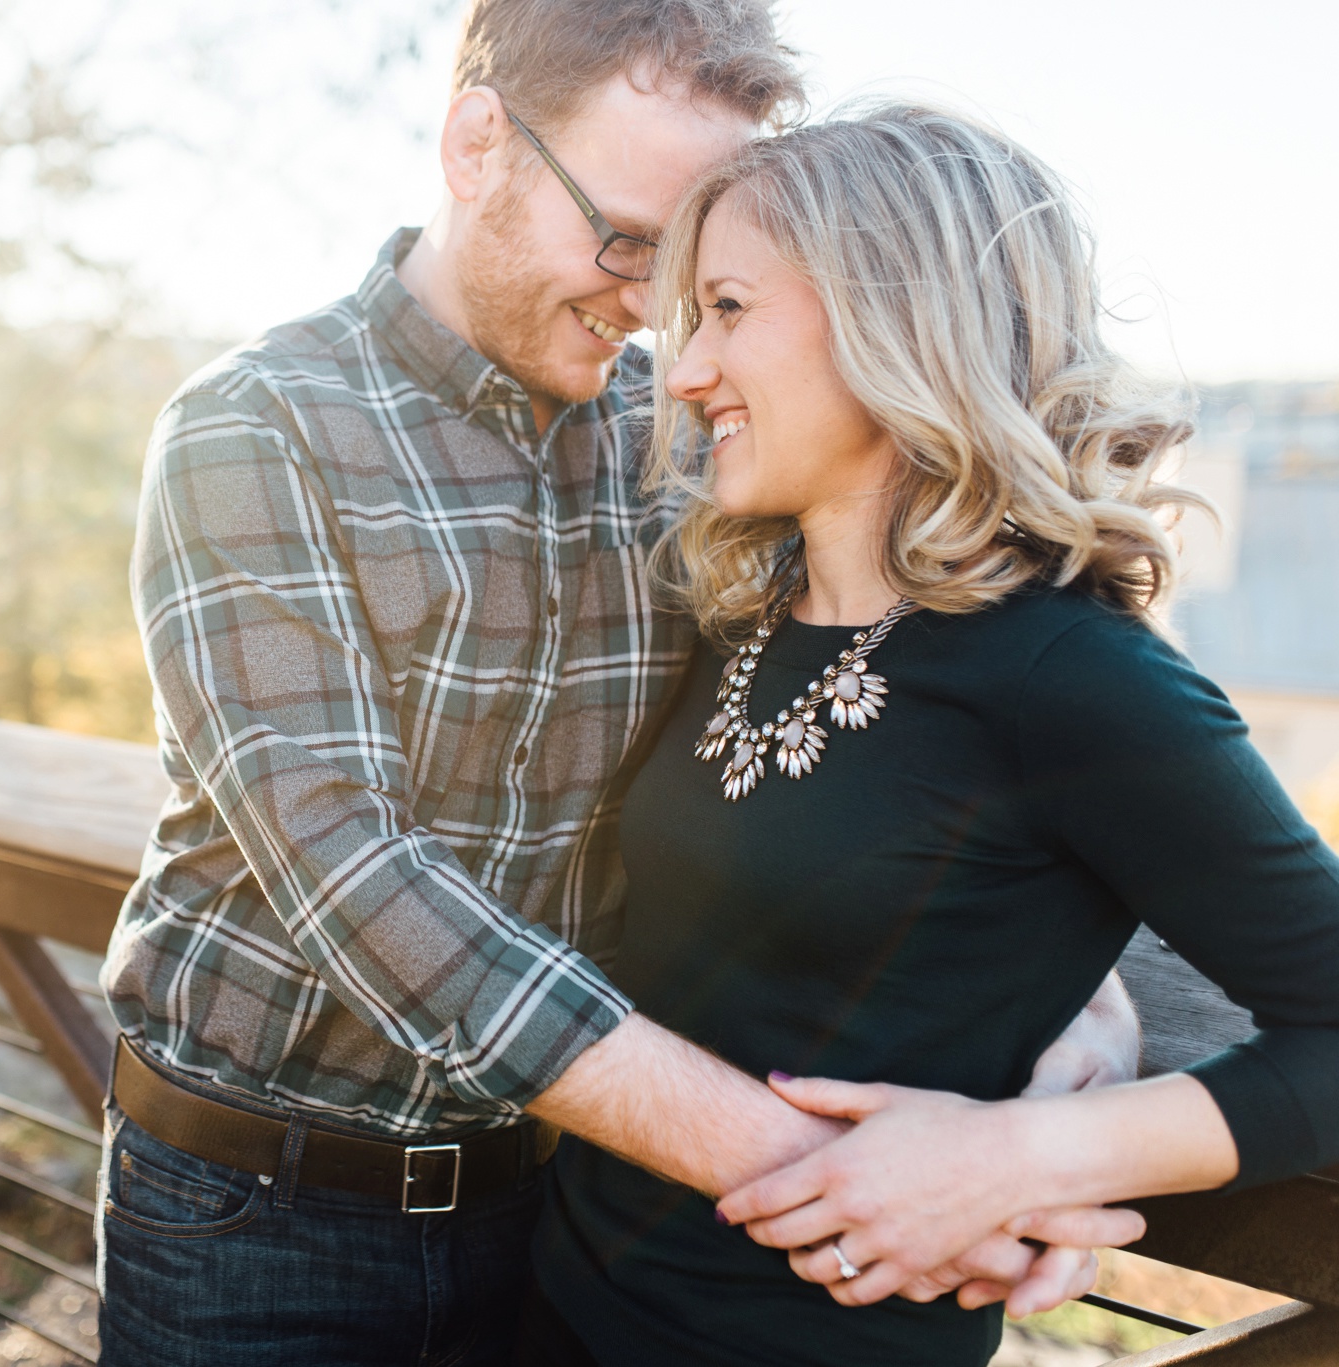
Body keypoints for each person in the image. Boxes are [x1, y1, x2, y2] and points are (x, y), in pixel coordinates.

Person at [97, 5, 1139, 1362]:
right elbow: (360, 875)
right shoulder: (254, 431)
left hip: (562, 1215)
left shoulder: (697, 440)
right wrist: (837, 1177)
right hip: (254, 1218)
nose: (653, 301)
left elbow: (920, 741)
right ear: (479, 145)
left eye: (699, 266)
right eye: (630, 239)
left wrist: (1068, 1041)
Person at [526, 103, 1339, 1367]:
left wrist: (1019, 1152)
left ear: (889, 319)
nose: (682, 373)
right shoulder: (723, 609)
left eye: (728, 309)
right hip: (550, 1308)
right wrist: (1093, 1009)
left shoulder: (1080, 678)